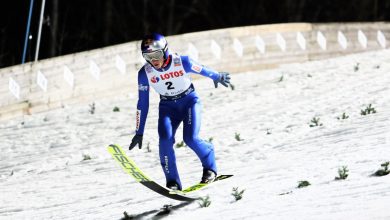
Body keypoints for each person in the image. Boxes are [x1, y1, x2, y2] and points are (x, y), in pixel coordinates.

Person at [129, 33, 231, 190]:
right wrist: (139, 131)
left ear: (165, 50)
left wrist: (217, 76)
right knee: (164, 141)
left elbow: (203, 70)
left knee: (190, 138)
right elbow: (142, 103)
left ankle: (210, 167)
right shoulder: (145, 73)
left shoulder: (183, 62)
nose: (153, 60)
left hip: (189, 102)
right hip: (167, 107)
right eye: (147, 57)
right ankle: (173, 182)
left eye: (156, 54)